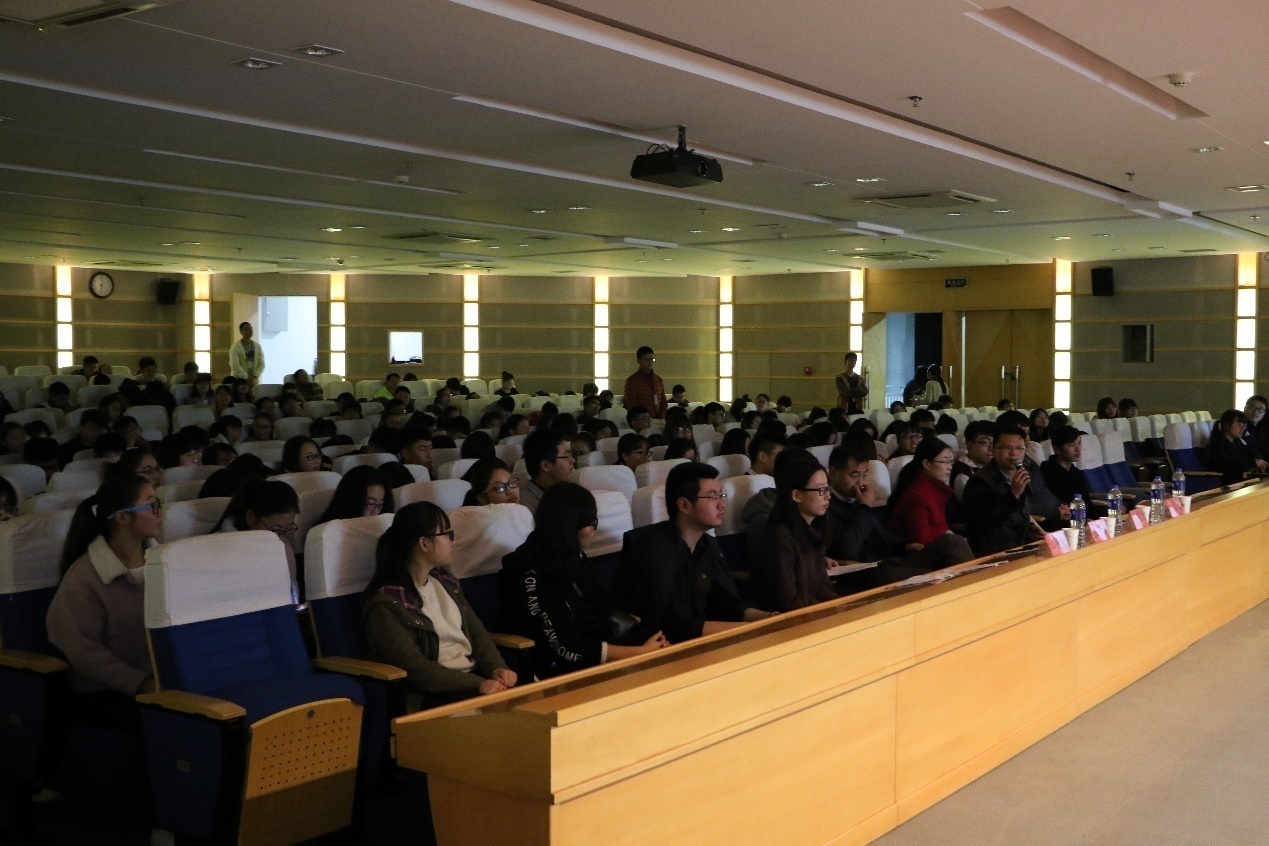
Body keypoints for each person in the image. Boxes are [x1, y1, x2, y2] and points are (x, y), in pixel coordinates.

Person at [499, 483, 668, 678]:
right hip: (558, 669)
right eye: (592, 523)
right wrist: (639, 653)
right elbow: (564, 645)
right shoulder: (527, 574)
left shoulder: (573, 558)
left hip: (597, 656)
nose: (595, 529)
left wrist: (648, 642)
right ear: (569, 526)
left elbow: (601, 612)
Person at [362, 502, 516, 707]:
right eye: (447, 534)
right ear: (424, 544)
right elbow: (416, 669)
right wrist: (479, 684)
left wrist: (497, 669)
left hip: (474, 680)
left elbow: (477, 634)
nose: (453, 541)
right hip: (435, 694)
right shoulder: (386, 603)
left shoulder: (446, 582)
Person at [46, 474, 161, 727]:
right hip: (102, 693)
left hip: (153, 681)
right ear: (122, 517)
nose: (159, 512)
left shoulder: (162, 562)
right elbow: (84, 654)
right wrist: (142, 684)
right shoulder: (83, 578)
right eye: (151, 505)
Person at [613, 462, 771, 643]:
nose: (721, 505)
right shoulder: (653, 549)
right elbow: (669, 625)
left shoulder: (707, 544)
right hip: (660, 648)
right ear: (684, 505)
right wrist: (748, 630)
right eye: (712, 497)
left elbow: (728, 605)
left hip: (701, 641)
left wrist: (770, 618)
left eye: (721, 495)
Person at [823, 444, 972, 585]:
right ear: (834, 473)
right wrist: (866, 508)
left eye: (865, 475)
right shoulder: (826, 506)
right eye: (855, 476)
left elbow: (881, 535)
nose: (861, 483)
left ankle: (974, 587)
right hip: (865, 570)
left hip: (890, 561)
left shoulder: (859, 500)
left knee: (953, 542)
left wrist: (903, 545)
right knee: (937, 576)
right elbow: (847, 550)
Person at [748, 454, 837, 613]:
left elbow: (823, 589)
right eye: (821, 490)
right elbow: (788, 603)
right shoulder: (778, 536)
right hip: (788, 621)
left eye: (827, 489)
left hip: (813, 614)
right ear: (796, 495)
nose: (828, 496)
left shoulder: (814, 531)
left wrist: (843, 606)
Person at [961, 426, 1066, 556]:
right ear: (994, 450)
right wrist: (1014, 494)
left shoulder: (1020, 475)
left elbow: (1017, 514)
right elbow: (982, 521)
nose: (1014, 453)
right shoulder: (979, 481)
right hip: (993, 551)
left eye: (1019, 448)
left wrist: (1029, 529)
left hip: (1021, 544)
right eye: (1008, 448)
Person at [887, 437, 959, 546]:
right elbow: (922, 543)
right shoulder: (917, 496)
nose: (950, 467)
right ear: (926, 464)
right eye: (945, 462)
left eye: (951, 461)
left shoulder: (933, 489)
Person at [1040, 425, 1109, 517]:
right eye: (1071, 445)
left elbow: (1085, 501)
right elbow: (1063, 504)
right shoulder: (1048, 472)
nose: (1078, 449)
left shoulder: (1076, 473)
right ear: (1057, 449)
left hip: (1082, 516)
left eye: (1079, 443)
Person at [518, 428, 575, 514]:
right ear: (545, 465)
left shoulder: (568, 492)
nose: (573, 460)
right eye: (566, 456)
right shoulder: (526, 506)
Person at [1206, 409, 1268, 484]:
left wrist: (1258, 460)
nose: (1243, 428)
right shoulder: (1217, 444)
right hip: (1225, 482)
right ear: (1226, 425)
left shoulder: (1237, 442)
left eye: (1244, 425)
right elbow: (1228, 465)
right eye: (1239, 425)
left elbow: (1250, 453)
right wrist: (1252, 462)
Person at [317, 465, 392, 523]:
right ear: (351, 502)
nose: (376, 512)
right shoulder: (328, 532)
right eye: (371, 504)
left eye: (381, 504)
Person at [952, 420, 995, 500]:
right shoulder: (964, 476)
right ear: (970, 445)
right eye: (985, 442)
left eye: (994, 442)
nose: (991, 448)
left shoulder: (995, 465)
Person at [622, 346, 666, 420]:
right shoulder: (632, 381)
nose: (650, 362)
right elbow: (632, 404)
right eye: (646, 360)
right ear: (639, 361)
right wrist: (643, 419)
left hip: (658, 420)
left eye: (651, 359)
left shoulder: (658, 380)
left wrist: (661, 417)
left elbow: (663, 402)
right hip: (641, 421)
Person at [229, 321, 265, 385]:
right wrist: (246, 378)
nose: (249, 331)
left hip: (254, 381)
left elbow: (262, 363)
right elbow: (235, 365)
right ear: (241, 332)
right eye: (246, 329)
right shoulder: (235, 347)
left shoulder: (257, 346)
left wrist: (255, 376)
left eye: (251, 329)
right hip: (239, 380)